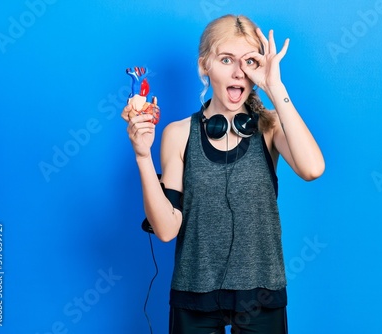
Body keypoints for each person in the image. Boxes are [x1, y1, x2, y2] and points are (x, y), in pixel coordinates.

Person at [122, 14, 325, 334]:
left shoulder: (270, 126)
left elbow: (313, 168)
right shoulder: (178, 134)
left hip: (261, 294)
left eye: (249, 61)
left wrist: (275, 87)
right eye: (226, 59)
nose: (238, 72)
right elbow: (165, 230)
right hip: (195, 293)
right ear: (205, 65)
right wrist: (143, 155)